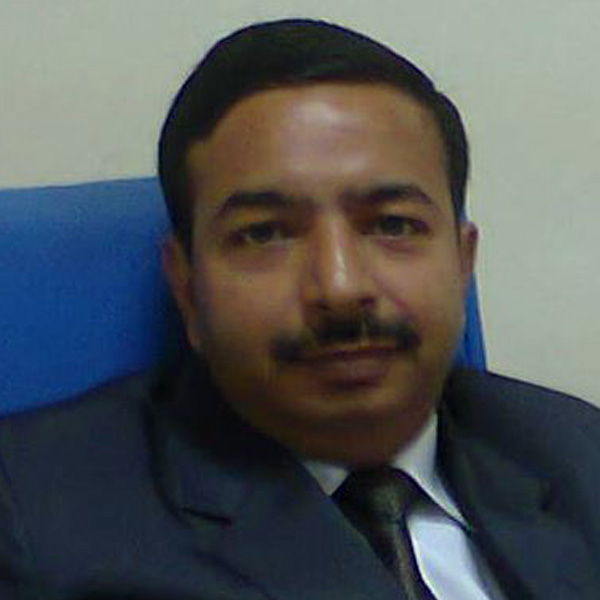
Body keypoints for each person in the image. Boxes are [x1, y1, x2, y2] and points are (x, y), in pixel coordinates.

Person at [0, 18, 598, 600]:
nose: (339, 287)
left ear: (462, 263)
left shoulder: (578, 456)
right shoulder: (36, 511)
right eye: (264, 234)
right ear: (186, 286)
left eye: (393, 225)